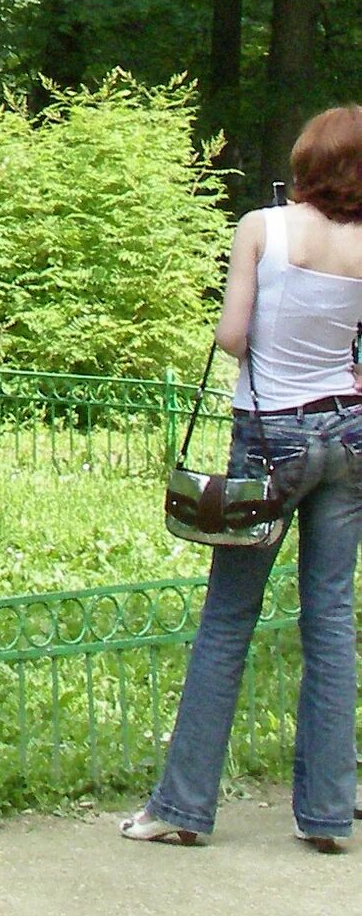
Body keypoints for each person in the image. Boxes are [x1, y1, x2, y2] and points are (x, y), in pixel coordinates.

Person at [126, 108, 362, 850]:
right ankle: (327, 813)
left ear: (306, 162)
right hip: (349, 434)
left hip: (271, 436)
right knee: (330, 620)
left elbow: (232, 337)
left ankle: (182, 808)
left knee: (229, 619)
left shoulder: (263, 227)